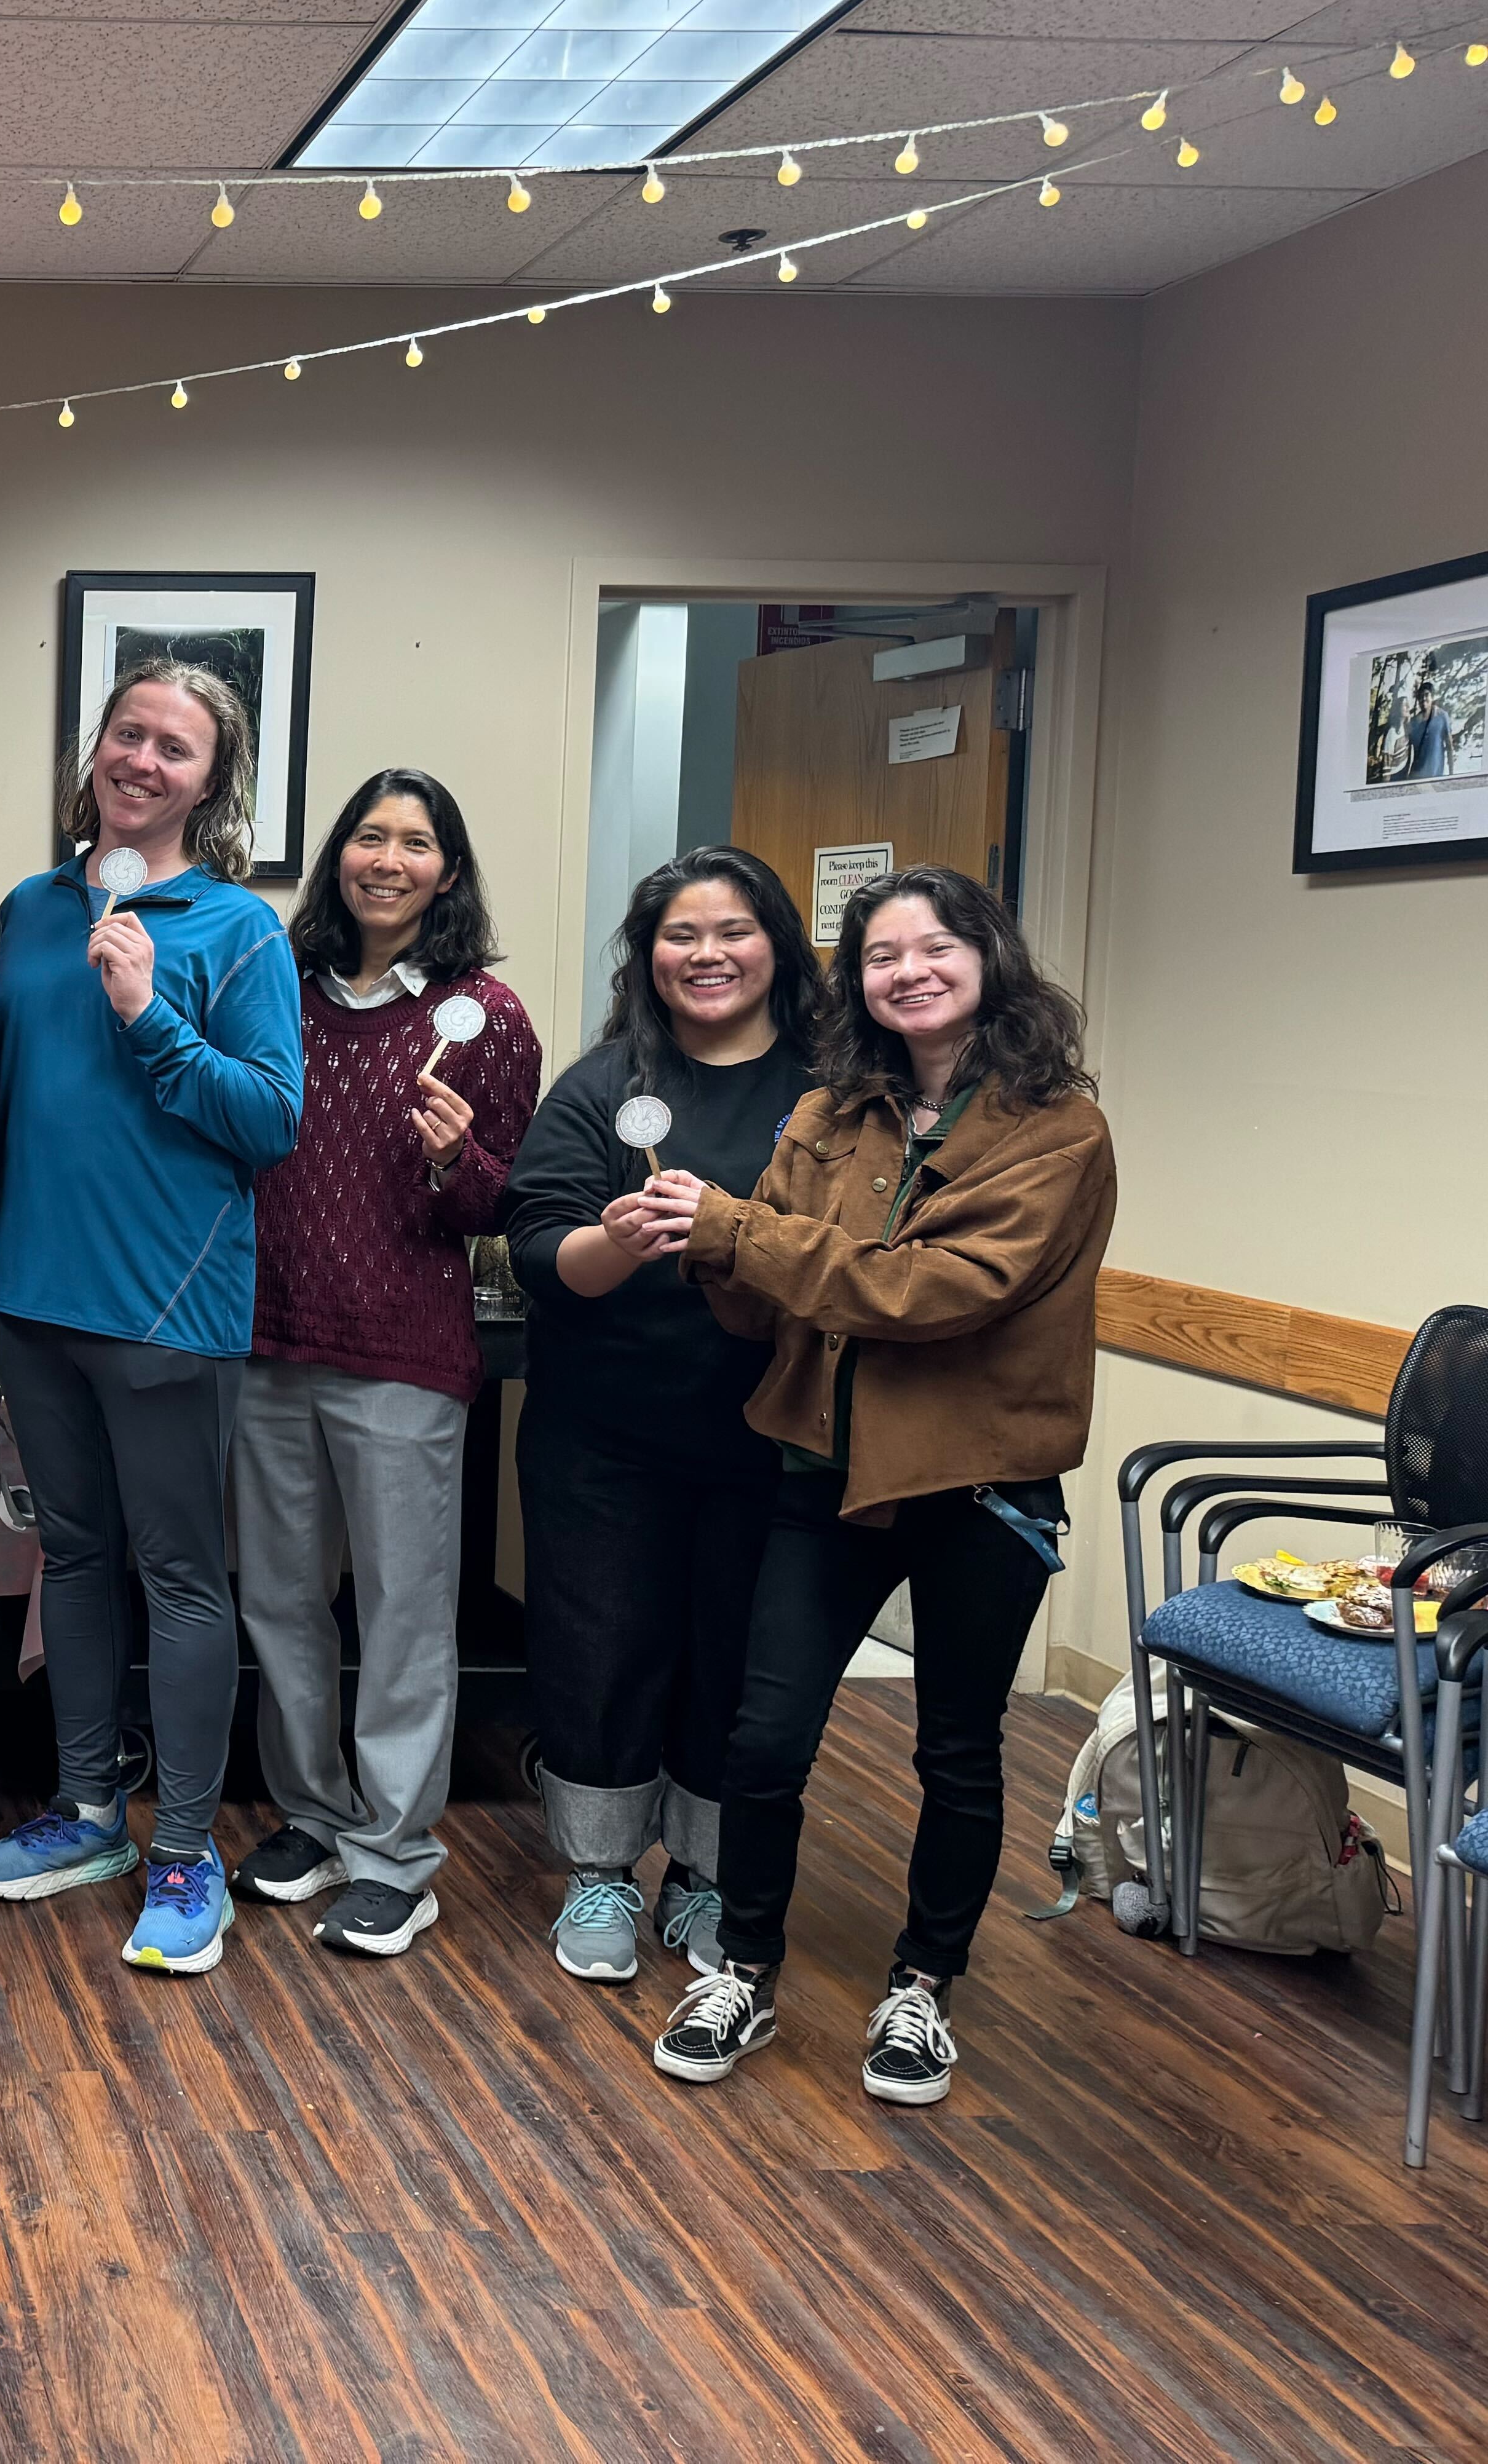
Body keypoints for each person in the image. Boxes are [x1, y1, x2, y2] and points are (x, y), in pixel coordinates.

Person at [639, 865, 1114, 2106]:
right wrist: (697, 1247)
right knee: (766, 1738)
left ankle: (923, 1987)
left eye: (933, 947)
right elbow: (764, 1303)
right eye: (880, 955)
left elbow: (935, 1291)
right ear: (854, 982)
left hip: (978, 1488)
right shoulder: (829, 1113)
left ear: (988, 958)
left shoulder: (1060, 1129)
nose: (907, 971)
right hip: (824, 1471)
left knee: (956, 1750)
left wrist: (741, 1233)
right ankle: (740, 1967)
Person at [0, 661, 302, 1976]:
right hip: (35, 1299)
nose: (144, 760)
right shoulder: (27, 910)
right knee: (77, 1563)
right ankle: (92, 1810)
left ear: (212, 784)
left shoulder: (238, 929)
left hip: (167, 1308)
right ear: (94, 749)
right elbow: (17, 1104)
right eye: (128, 733)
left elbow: (270, 1120)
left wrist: (150, 1013)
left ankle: (185, 1849)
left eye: (177, 748)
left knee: (179, 1577)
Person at [231, 768, 539, 1961]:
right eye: (371, 836)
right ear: (339, 857)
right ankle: (310, 1818)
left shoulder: (487, 1018)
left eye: (417, 842)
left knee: (406, 1617)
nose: (389, 859)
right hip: (267, 1343)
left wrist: (458, 1159)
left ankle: (398, 1859)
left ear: (446, 871)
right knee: (280, 1603)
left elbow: (500, 1206)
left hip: (405, 1359)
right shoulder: (282, 997)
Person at [500, 847, 819, 1985]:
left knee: (737, 1654)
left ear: (777, 945)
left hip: (771, 1437)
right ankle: (597, 1870)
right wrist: (616, 1241)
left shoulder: (831, 1091)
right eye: (682, 935)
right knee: (601, 1641)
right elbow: (540, 1250)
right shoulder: (600, 1089)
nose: (709, 954)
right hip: (604, 1436)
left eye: (734, 930)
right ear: (649, 958)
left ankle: (704, 1875)